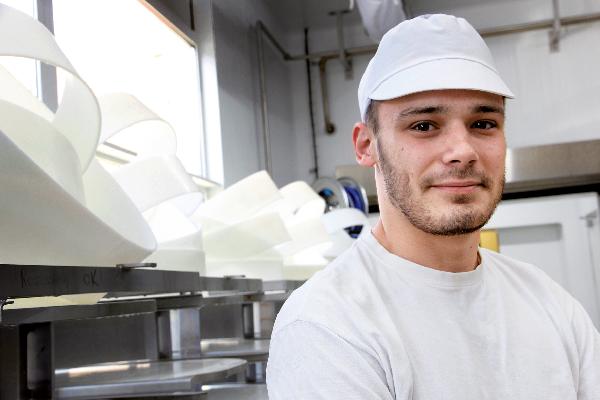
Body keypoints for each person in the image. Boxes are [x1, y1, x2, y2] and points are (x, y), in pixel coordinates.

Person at [266, 14, 600, 399]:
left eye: (484, 123)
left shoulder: (551, 304)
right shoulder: (328, 323)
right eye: (424, 125)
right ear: (366, 145)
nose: (463, 151)